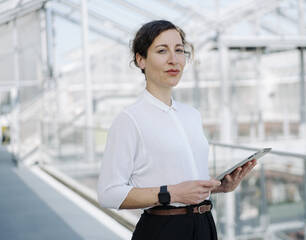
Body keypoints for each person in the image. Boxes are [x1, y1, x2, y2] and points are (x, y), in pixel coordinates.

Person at [97, 20, 257, 240]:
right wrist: (170, 193)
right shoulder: (129, 120)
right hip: (163, 229)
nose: (173, 59)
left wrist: (218, 186)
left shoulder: (191, 114)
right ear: (140, 59)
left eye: (179, 50)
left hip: (205, 224)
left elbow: (183, 179)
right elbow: (108, 193)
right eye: (162, 51)